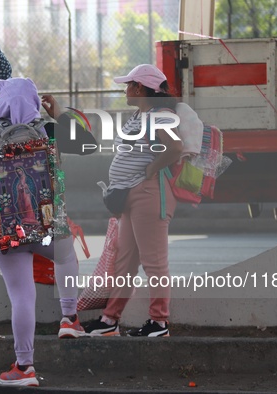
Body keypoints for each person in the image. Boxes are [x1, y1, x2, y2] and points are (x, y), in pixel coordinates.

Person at [0, 77, 96, 386]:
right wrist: (60, 113)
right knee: (65, 255)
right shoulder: (48, 132)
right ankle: (70, 318)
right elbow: (88, 144)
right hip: (47, 220)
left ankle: (25, 368)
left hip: (6, 226)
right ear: (35, 103)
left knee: (22, 296)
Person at [83, 64, 183, 338]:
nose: (125, 89)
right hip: (132, 196)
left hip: (148, 195)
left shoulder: (158, 115)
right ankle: (109, 321)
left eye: (129, 85)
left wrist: (150, 171)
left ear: (140, 88)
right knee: (124, 262)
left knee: (154, 262)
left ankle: (159, 323)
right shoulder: (143, 114)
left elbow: (175, 148)